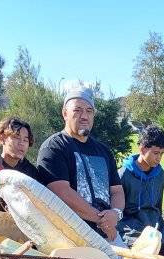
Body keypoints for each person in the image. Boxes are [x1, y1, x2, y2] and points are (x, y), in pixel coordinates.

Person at [36, 82, 124, 241]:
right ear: (64, 113)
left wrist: (116, 214)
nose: (84, 116)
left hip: (108, 233)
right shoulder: (54, 147)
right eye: (77, 110)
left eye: (89, 111)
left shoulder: (104, 151)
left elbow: (117, 191)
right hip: (71, 236)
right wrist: (102, 220)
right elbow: (62, 193)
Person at [117, 124, 164, 253]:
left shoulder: (160, 175)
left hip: (157, 233)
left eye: (161, 153)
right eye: (155, 153)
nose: (159, 158)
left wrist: (160, 232)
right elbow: (117, 213)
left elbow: (158, 208)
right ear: (142, 149)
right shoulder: (122, 175)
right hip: (134, 236)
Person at [0, 116, 45, 203]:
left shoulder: (31, 173)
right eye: (16, 137)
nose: (21, 143)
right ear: (2, 138)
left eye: (25, 140)